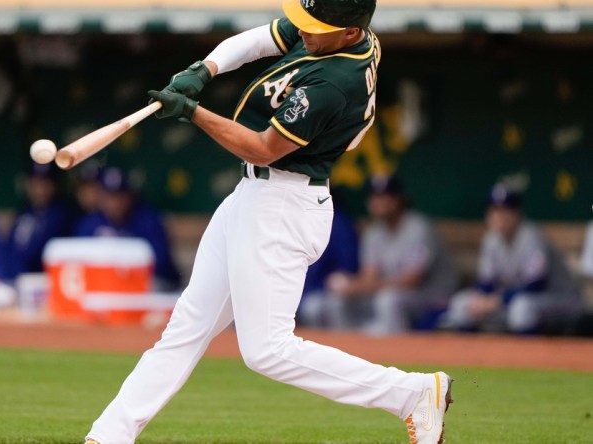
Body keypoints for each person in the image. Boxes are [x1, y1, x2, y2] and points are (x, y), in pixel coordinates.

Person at [84, 1, 453, 443]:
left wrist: (192, 112)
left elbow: (262, 147)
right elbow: (262, 38)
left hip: (284, 203)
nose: (306, 33)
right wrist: (205, 69)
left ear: (352, 32)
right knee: (187, 326)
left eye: (317, 29)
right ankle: (108, 436)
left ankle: (411, 393)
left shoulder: (336, 83)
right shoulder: (339, 32)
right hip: (255, 196)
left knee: (266, 351)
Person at [302, 176, 458, 334]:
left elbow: (412, 280)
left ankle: (396, 351)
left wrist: (357, 286)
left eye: (385, 197)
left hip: (431, 295)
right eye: (375, 197)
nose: (379, 202)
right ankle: (351, 349)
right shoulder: (374, 233)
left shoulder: (418, 228)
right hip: (388, 291)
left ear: (399, 199)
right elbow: (370, 276)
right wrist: (350, 286)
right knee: (337, 301)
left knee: (388, 300)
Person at [440, 185, 581, 334]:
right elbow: (486, 282)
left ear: (517, 213)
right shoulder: (492, 240)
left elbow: (536, 284)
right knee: (462, 304)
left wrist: (496, 300)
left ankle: (533, 356)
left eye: (505, 210)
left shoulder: (531, 237)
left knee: (522, 310)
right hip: (513, 299)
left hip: (557, 298)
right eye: (494, 210)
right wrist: (481, 300)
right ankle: (473, 356)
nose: (499, 216)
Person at [74, 167, 181, 291]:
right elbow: (79, 260)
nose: (114, 203)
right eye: (109, 197)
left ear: (129, 196)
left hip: (151, 286)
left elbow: (161, 264)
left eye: (119, 197)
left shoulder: (148, 220)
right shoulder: (91, 221)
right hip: (105, 287)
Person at [2, 162, 75, 279]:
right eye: (35, 183)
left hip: (44, 280)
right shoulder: (24, 211)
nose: (39, 189)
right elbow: (10, 249)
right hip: (16, 281)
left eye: (44, 183)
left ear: (54, 185)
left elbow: (42, 254)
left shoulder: (63, 215)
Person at [297, 197, 359, 327]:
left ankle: (345, 344)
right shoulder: (297, 222)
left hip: (326, 289)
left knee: (314, 306)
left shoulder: (338, 224)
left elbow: (346, 270)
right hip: (302, 290)